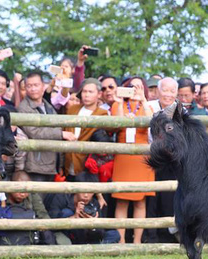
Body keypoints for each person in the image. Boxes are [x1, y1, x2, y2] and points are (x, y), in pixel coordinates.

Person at [111, 76, 155, 244]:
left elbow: (152, 122)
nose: (135, 89)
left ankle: (137, 241)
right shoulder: (118, 104)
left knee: (140, 201)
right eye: (131, 86)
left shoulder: (147, 106)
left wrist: (143, 100)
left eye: (139, 86)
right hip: (123, 155)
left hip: (142, 157)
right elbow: (117, 124)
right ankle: (120, 241)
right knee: (121, 200)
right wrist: (121, 100)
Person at [17, 70, 76, 182]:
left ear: (43, 86)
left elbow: (57, 126)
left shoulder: (47, 105)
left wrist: (60, 163)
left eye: (36, 85)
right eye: (29, 86)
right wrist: (61, 134)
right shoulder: (23, 108)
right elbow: (34, 132)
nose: (33, 89)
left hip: (52, 163)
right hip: (36, 165)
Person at [45, 172, 120, 245]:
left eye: (90, 192)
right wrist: (74, 217)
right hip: (68, 236)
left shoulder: (94, 204)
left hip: (87, 238)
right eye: (83, 191)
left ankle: (93, 250)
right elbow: (52, 224)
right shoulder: (62, 198)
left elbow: (100, 233)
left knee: (114, 234)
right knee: (66, 212)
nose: (86, 195)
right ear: (76, 189)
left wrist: (93, 225)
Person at [0, 171, 56, 246]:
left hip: (28, 233)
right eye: (19, 190)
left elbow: (43, 215)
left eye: (25, 191)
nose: (22, 194)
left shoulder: (32, 196)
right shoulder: (2, 195)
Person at [63, 78, 108, 177]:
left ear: (99, 94)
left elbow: (112, 130)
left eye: (91, 92)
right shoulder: (72, 109)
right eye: (84, 91)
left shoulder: (102, 114)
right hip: (68, 159)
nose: (87, 95)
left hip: (86, 163)